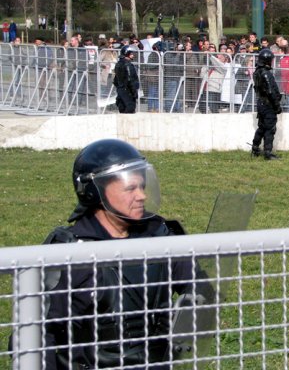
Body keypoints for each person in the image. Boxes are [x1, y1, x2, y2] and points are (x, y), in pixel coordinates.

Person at [42, 139, 211, 369]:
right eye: (130, 188)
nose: (141, 195)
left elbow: (199, 284)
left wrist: (190, 308)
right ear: (94, 191)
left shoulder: (159, 237)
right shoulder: (71, 253)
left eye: (142, 186)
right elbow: (39, 334)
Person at [251, 49, 282, 160]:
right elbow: (270, 91)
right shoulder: (265, 73)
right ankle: (268, 153)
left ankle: (255, 148)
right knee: (270, 128)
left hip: (261, 103)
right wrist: (277, 105)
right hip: (268, 105)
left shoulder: (257, 72)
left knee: (262, 127)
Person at [113, 47, 139, 113]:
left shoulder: (118, 64)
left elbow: (115, 79)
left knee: (122, 108)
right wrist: (133, 91)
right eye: (131, 54)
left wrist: (119, 88)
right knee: (130, 108)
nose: (133, 55)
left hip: (120, 89)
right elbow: (130, 79)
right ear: (127, 54)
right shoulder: (128, 65)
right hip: (127, 91)